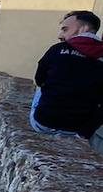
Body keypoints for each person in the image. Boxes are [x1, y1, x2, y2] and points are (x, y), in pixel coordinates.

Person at [30, 9, 103, 148]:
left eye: (65, 29)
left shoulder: (57, 49)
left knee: (43, 83)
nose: (60, 35)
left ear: (84, 29)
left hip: (42, 122)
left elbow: (39, 79)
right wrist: (84, 133)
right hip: (76, 129)